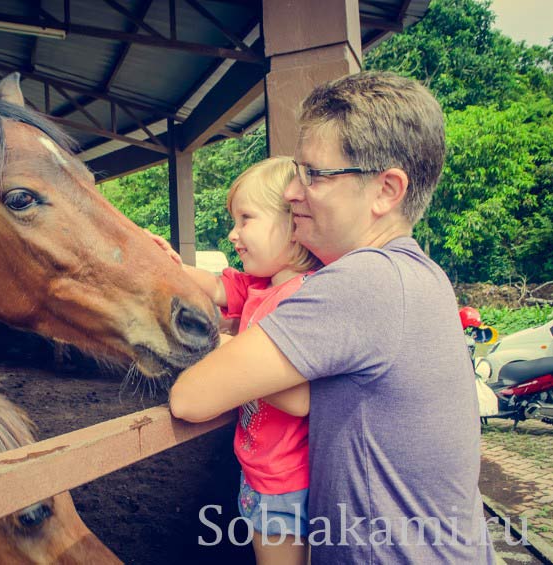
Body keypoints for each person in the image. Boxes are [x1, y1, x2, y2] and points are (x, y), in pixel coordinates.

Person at [169, 71, 495, 563]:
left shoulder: (363, 282)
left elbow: (191, 397)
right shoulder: (420, 275)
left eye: (315, 175)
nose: (294, 193)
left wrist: (219, 343)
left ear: (386, 191)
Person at [152, 157, 320, 564]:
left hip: (285, 479)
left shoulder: (303, 295)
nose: (233, 233)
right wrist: (161, 262)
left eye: (246, 218)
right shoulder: (259, 286)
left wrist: (229, 351)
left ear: (293, 223)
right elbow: (211, 285)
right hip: (259, 469)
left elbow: (300, 398)